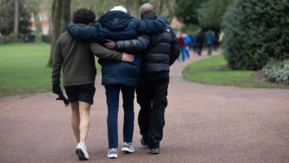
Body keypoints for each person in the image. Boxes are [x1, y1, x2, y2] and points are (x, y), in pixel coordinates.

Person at [66, 6, 167, 159]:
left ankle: (112, 148)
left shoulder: (99, 25)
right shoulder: (135, 23)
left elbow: (80, 33)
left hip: (110, 72)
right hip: (130, 70)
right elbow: (157, 26)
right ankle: (127, 143)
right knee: (129, 107)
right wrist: (163, 17)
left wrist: (69, 25)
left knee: (112, 109)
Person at [51, 8, 134, 160]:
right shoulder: (88, 37)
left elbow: (57, 63)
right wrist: (120, 55)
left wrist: (55, 84)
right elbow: (100, 52)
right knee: (84, 113)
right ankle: (82, 143)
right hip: (86, 81)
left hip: (69, 81)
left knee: (74, 113)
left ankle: (80, 145)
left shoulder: (62, 38)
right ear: (90, 22)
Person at [136, 3, 180, 154]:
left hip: (144, 74)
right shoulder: (168, 28)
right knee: (159, 106)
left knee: (145, 105)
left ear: (141, 15)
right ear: (154, 12)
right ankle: (155, 144)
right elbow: (176, 50)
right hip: (162, 73)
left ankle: (146, 136)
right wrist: (165, 63)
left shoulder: (139, 28)